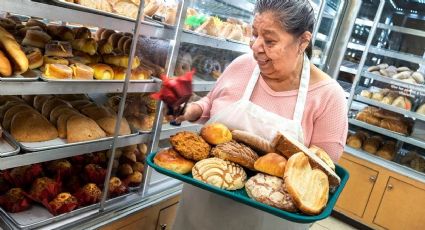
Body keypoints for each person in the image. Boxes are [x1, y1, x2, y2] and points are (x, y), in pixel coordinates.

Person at [172, 0, 348, 229]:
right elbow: (211, 103)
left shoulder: (328, 97)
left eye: (270, 40)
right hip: (204, 202)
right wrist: (193, 110)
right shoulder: (242, 65)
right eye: (254, 35)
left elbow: (323, 174)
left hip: (270, 218)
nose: (255, 47)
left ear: (303, 41)